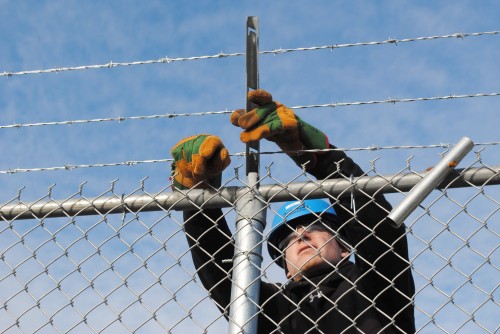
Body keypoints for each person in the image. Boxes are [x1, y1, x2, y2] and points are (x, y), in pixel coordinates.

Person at [170, 90, 415, 333]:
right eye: (288, 239)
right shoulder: (277, 309)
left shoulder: (374, 285)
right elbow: (221, 275)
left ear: (344, 248)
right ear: (286, 267)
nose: (300, 235)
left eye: (315, 227)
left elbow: (378, 230)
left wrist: (321, 159)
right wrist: (198, 202)